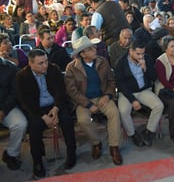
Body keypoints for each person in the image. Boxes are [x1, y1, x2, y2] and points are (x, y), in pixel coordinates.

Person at [16, 49, 76, 178]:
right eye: (40, 63)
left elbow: (61, 91)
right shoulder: (22, 76)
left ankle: (72, 154)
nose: (45, 65)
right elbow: (25, 102)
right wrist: (43, 116)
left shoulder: (53, 69)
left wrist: (56, 108)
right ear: (30, 64)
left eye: (46, 61)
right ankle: (37, 162)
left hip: (56, 106)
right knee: (34, 127)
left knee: (66, 120)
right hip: (37, 109)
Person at [64, 36, 123, 165]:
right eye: (90, 49)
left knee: (114, 113)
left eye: (94, 47)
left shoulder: (103, 62)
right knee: (83, 120)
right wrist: (88, 104)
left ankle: (114, 146)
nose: (95, 50)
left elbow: (111, 81)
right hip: (84, 101)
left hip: (103, 97)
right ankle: (96, 143)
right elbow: (72, 91)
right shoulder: (71, 68)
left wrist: (107, 95)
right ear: (83, 54)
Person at [115, 40, 163, 147]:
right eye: (138, 54)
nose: (141, 56)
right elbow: (120, 84)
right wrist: (132, 100)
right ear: (130, 51)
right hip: (127, 92)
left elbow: (154, 77)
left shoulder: (147, 58)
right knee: (123, 111)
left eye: (143, 53)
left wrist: (145, 68)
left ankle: (149, 131)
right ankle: (132, 134)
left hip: (143, 90)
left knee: (159, 106)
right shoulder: (121, 63)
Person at [0, 56, 27, 171]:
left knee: (20, 123)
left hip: (6, 107)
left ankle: (11, 154)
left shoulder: (9, 67)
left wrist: (3, 110)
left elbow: (15, 92)